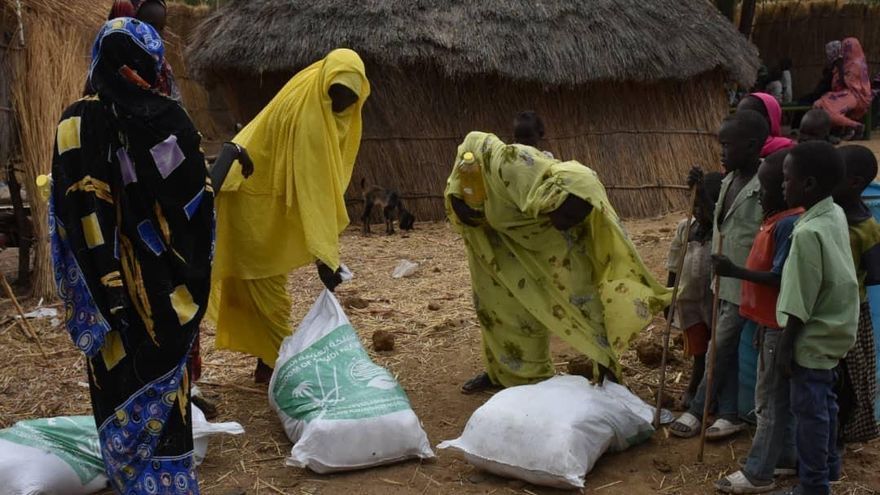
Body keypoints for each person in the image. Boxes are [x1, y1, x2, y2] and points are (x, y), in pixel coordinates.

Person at [50, 18, 213, 493]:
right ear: (153, 66)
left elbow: (71, 208)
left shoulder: (74, 122)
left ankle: (129, 478)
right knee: (167, 388)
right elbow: (197, 204)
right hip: (165, 294)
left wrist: (106, 287)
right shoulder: (170, 121)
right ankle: (171, 480)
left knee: (115, 380)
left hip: (106, 300)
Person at [446, 132, 669, 393]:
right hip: (497, 243)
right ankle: (503, 374)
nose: (569, 221)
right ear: (554, 198)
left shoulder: (571, 218)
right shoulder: (515, 166)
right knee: (499, 308)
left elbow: (589, 293)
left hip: (545, 244)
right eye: (568, 214)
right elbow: (472, 145)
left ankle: (608, 376)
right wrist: (457, 197)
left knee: (585, 304)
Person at [209, 49, 370, 384]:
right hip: (251, 204)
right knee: (267, 294)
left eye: (351, 99)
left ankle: (269, 364)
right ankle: (278, 366)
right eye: (337, 96)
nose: (342, 105)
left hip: (261, 199)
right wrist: (325, 258)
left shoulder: (313, 89)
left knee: (268, 290)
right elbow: (313, 194)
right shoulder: (310, 119)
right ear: (326, 87)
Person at [670, 110, 769, 440]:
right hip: (724, 283)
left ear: (752, 145)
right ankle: (718, 411)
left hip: (750, 281)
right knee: (719, 348)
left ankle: (708, 410)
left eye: (728, 144)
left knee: (728, 351)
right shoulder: (728, 180)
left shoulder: (765, 183)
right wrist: (702, 189)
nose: (722, 151)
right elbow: (717, 220)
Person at [712, 150, 803, 494]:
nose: (760, 194)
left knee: (768, 402)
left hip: (778, 328)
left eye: (765, 188)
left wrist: (735, 271)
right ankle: (785, 457)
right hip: (769, 323)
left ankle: (759, 472)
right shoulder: (778, 219)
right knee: (778, 399)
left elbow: (780, 278)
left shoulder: (789, 225)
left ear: (785, 188)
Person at [773, 141, 859, 495]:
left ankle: (812, 486)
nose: (782, 185)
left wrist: (785, 348)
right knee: (826, 404)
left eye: (786, 178)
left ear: (807, 184)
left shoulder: (806, 234)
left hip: (810, 341)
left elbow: (798, 302)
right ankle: (830, 467)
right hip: (835, 333)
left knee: (810, 416)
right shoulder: (833, 213)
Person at [832, 145, 880, 444]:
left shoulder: (866, 227)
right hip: (828, 307)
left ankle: (841, 432)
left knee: (848, 377)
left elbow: (875, 272)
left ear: (854, 182)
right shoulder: (829, 213)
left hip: (850, 311)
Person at [665, 172, 723, 409]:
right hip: (688, 302)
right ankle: (695, 389)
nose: (699, 211)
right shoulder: (684, 229)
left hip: (714, 301)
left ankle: (710, 393)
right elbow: (673, 265)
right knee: (699, 351)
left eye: (705, 206)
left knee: (716, 349)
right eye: (695, 205)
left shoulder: (721, 233)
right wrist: (668, 299)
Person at [814, 38, 873, 140]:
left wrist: (839, 72)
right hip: (856, 96)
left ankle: (853, 125)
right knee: (822, 104)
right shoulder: (857, 62)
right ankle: (848, 128)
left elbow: (847, 84)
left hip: (854, 96)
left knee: (824, 107)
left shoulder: (853, 65)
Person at [737, 93, 795, 157]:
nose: (738, 122)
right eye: (738, 117)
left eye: (746, 117)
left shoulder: (787, 150)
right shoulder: (734, 147)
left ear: (767, 120)